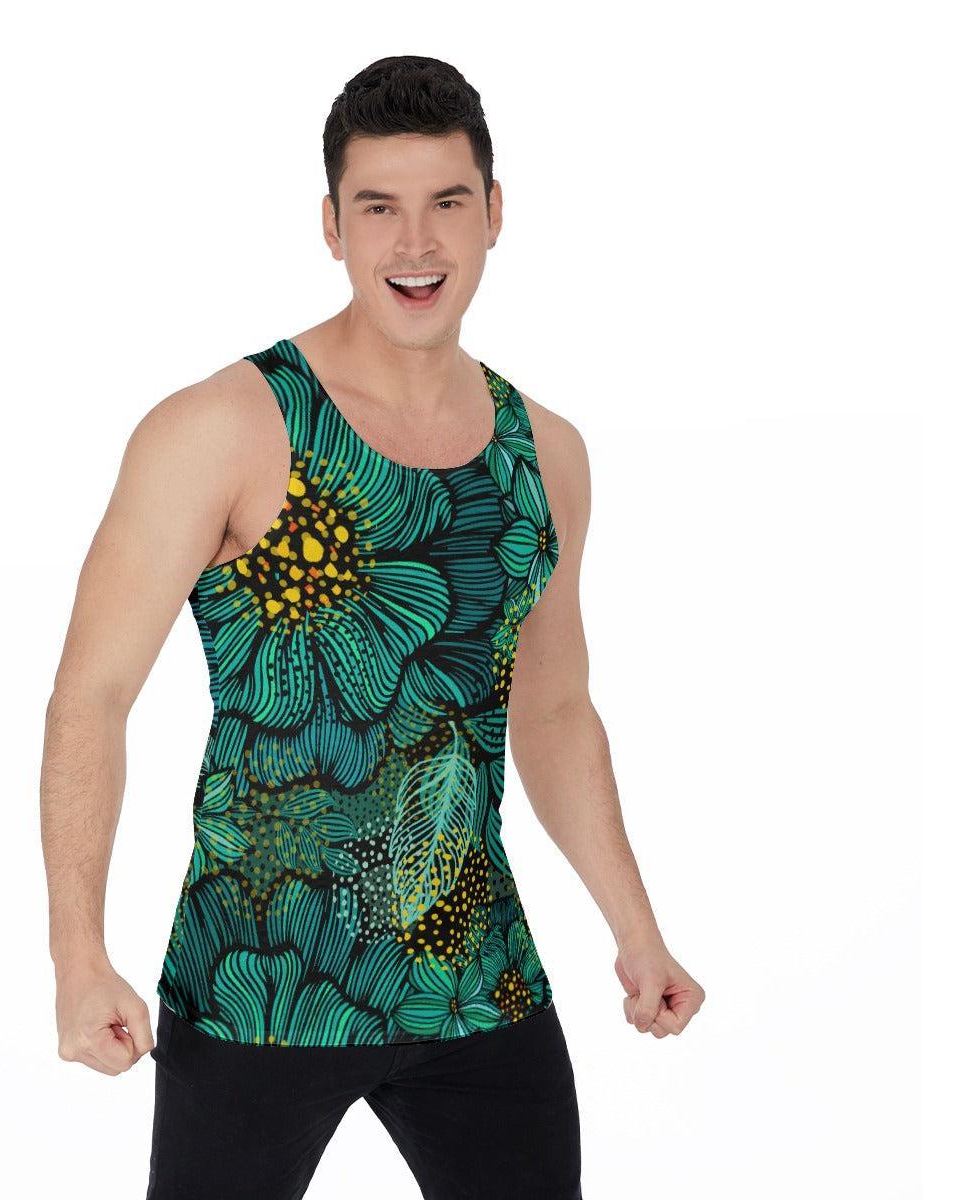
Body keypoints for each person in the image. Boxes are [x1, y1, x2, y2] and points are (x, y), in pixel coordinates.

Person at [40, 54, 704, 1199]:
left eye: (447, 202)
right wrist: (77, 954)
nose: (416, 243)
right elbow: (90, 695)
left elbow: (554, 709)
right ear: (332, 226)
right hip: (259, 982)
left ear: (495, 213)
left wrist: (636, 932)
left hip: (475, 982)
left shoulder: (545, 453)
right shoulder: (223, 429)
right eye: (379, 208)